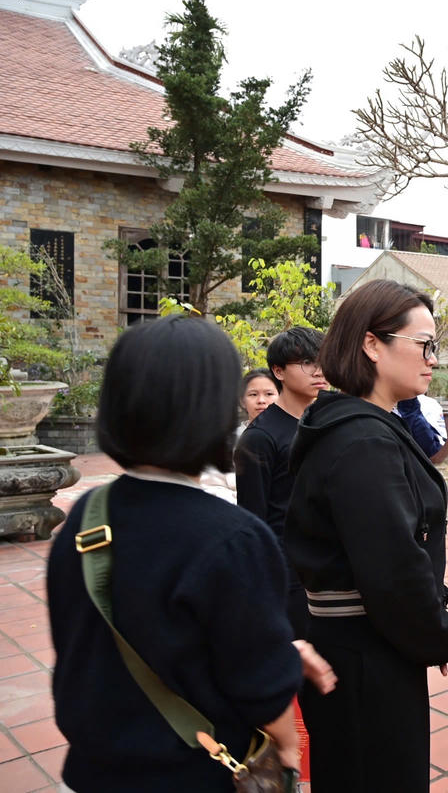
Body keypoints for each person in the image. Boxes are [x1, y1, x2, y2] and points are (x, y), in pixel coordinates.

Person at [47, 315, 335, 792]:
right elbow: (260, 686)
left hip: (89, 773)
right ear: (214, 411)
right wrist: (287, 746)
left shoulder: (85, 517)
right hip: (190, 775)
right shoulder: (232, 538)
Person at [286, 279, 448, 792]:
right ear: (372, 344)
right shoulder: (363, 439)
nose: (434, 358)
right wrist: (441, 633)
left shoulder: (357, 426)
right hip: (368, 654)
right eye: (425, 344)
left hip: (362, 641)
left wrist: (432, 610)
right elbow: (392, 568)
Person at [235, 326, 326, 638]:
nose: (319, 371)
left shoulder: (325, 422)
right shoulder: (260, 438)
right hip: (288, 577)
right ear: (278, 371)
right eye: (307, 363)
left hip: (329, 568)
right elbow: (253, 521)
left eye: (323, 361)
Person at [198, 368, 280, 501]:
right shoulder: (226, 441)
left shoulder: (295, 434)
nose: (261, 400)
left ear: (281, 397)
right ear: (242, 401)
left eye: (269, 394)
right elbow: (211, 487)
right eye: (253, 394)